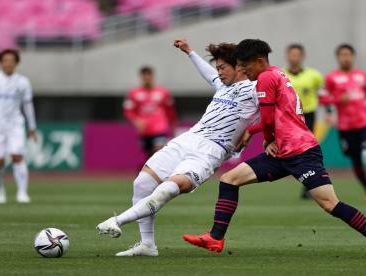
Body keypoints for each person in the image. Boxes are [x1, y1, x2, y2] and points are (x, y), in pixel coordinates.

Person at [182, 39, 366, 260]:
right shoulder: (276, 73)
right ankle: (216, 237)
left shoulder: (266, 78)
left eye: (244, 64)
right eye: (238, 65)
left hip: (302, 152)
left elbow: (268, 119)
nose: (241, 69)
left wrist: (267, 139)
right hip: (283, 152)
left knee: (330, 204)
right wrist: (253, 131)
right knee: (229, 180)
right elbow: (280, 115)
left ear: (258, 61)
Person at [95, 39, 260, 257]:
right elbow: (206, 72)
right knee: (142, 183)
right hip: (186, 139)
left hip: (211, 150)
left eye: (222, 68)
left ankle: (118, 220)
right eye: (217, 68)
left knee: (170, 188)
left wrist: (255, 131)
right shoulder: (222, 85)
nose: (218, 72)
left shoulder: (254, 89)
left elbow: (275, 110)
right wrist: (190, 52)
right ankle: (147, 245)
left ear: (239, 66)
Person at [320, 44, 366, 202]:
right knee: (356, 160)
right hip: (346, 126)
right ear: (337, 58)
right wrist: (336, 102)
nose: (345, 57)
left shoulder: (361, 75)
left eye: (348, 54)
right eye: (342, 55)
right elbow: (323, 98)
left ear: (353, 56)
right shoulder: (331, 78)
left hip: (365, 122)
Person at [284, 43, 323, 199]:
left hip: (308, 115)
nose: (294, 57)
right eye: (292, 54)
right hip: (288, 117)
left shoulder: (314, 76)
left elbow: (323, 94)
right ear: (287, 56)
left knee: (307, 151)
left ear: (303, 56)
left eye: (297, 54)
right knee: (291, 153)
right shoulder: (280, 74)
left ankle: (310, 186)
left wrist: (328, 111)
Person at [0, 49, 37, 204]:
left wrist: (32, 127)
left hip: (15, 124)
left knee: (17, 156)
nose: (8, 63)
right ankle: (0, 190)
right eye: (5, 60)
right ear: (1, 62)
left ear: (16, 63)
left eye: (11, 60)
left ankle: (22, 192)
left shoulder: (23, 82)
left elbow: (28, 106)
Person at [123, 66, 177, 158]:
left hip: (160, 128)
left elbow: (170, 110)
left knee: (158, 152)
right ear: (141, 77)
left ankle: (159, 171)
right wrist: (136, 120)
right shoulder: (133, 93)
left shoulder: (163, 92)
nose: (147, 78)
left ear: (152, 76)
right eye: (144, 76)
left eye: (149, 75)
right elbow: (128, 111)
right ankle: (148, 170)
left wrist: (173, 125)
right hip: (144, 130)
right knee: (149, 155)